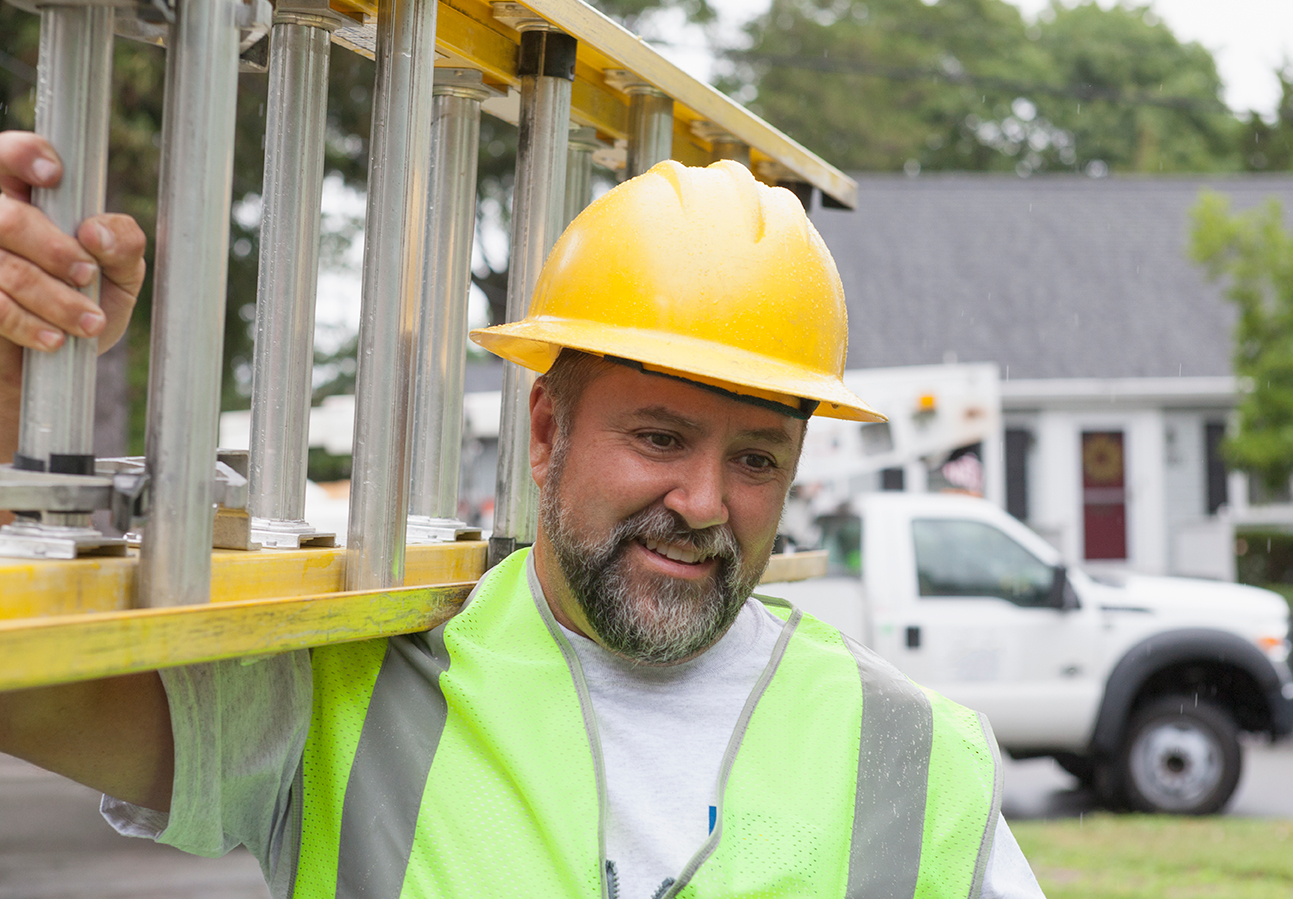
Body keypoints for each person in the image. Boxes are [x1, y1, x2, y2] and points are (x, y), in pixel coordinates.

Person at [0, 130, 1045, 899]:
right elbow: (24, 686)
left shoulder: (914, 756)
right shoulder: (339, 691)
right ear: (546, 428)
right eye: (661, 436)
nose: (703, 502)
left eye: (757, 456)